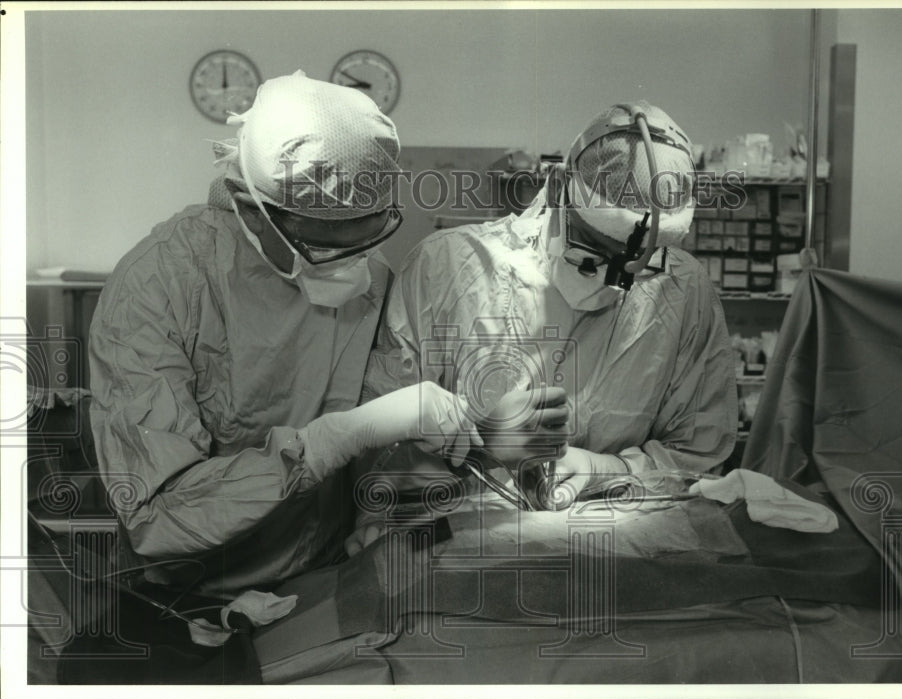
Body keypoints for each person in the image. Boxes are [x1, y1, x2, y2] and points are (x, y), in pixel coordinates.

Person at [88, 71, 481, 599]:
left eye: (369, 236)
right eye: (326, 245)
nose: (353, 266)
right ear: (249, 208)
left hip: (327, 572)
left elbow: (383, 435)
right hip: (193, 591)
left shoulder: (372, 277)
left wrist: (388, 502)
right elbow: (158, 514)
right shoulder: (159, 283)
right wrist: (340, 436)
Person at [349, 101, 737, 553]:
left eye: (639, 268)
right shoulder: (448, 268)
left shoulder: (683, 290)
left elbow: (698, 457)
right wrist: (476, 441)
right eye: (591, 255)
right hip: (459, 550)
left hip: (611, 552)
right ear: (557, 188)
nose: (614, 282)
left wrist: (609, 471)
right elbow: (371, 451)